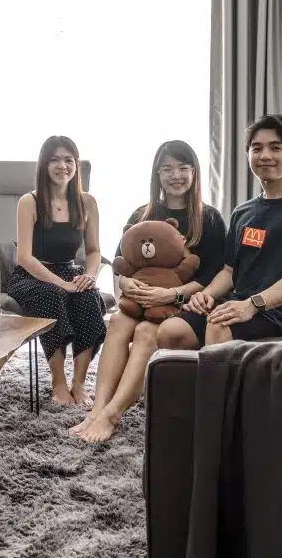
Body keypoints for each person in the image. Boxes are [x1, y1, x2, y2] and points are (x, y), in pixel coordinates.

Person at [72, 140, 226, 443]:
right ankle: (97, 410)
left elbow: (211, 275)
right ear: (157, 174)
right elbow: (121, 263)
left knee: (145, 331)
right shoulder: (142, 214)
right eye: (167, 169)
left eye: (182, 168)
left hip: (182, 303)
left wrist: (171, 295)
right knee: (117, 322)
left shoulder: (209, 218)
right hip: (141, 300)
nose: (175, 175)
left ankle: (112, 415)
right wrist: (125, 284)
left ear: (194, 172)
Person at [157, 114, 282, 351]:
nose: (265, 155)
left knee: (218, 326)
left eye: (276, 148)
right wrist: (206, 295)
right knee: (171, 331)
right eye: (256, 148)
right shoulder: (243, 212)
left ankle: (217, 376)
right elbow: (229, 271)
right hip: (240, 301)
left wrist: (253, 304)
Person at [7, 136, 107, 405]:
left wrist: (89, 276)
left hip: (69, 272)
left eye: (68, 160)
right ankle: (58, 383)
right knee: (53, 295)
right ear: (44, 165)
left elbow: (94, 251)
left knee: (88, 297)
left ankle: (79, 384)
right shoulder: (29, 202)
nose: (62, 166)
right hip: (31, 276)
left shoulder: (87, 202)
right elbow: (24, 257)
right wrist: (61, 284)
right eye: (55, 160)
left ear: (76, 164)